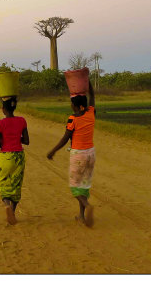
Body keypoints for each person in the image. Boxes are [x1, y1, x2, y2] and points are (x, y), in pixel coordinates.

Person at [47, 81, 96, 227]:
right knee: (84, 185)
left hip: (78, 155)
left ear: (74, 105)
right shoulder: (91, 113)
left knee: (75, 186)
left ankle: (87, 206)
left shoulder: (72, 119)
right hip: (91, 154)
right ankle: (81, 216)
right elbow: (92, 96)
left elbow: (65, 138)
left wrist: (53, 151)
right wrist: (87, 83)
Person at [0, 95, 29, 225]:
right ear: (14, 107)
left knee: (4, 184)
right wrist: (16, 138)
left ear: (3, 109)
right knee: (16, 184)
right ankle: (13, 213)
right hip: (19, 156)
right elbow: (26, 141)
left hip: (6, 156)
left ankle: (6, 204)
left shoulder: (0, 124)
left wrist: (5, 139)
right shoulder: (22, 121)